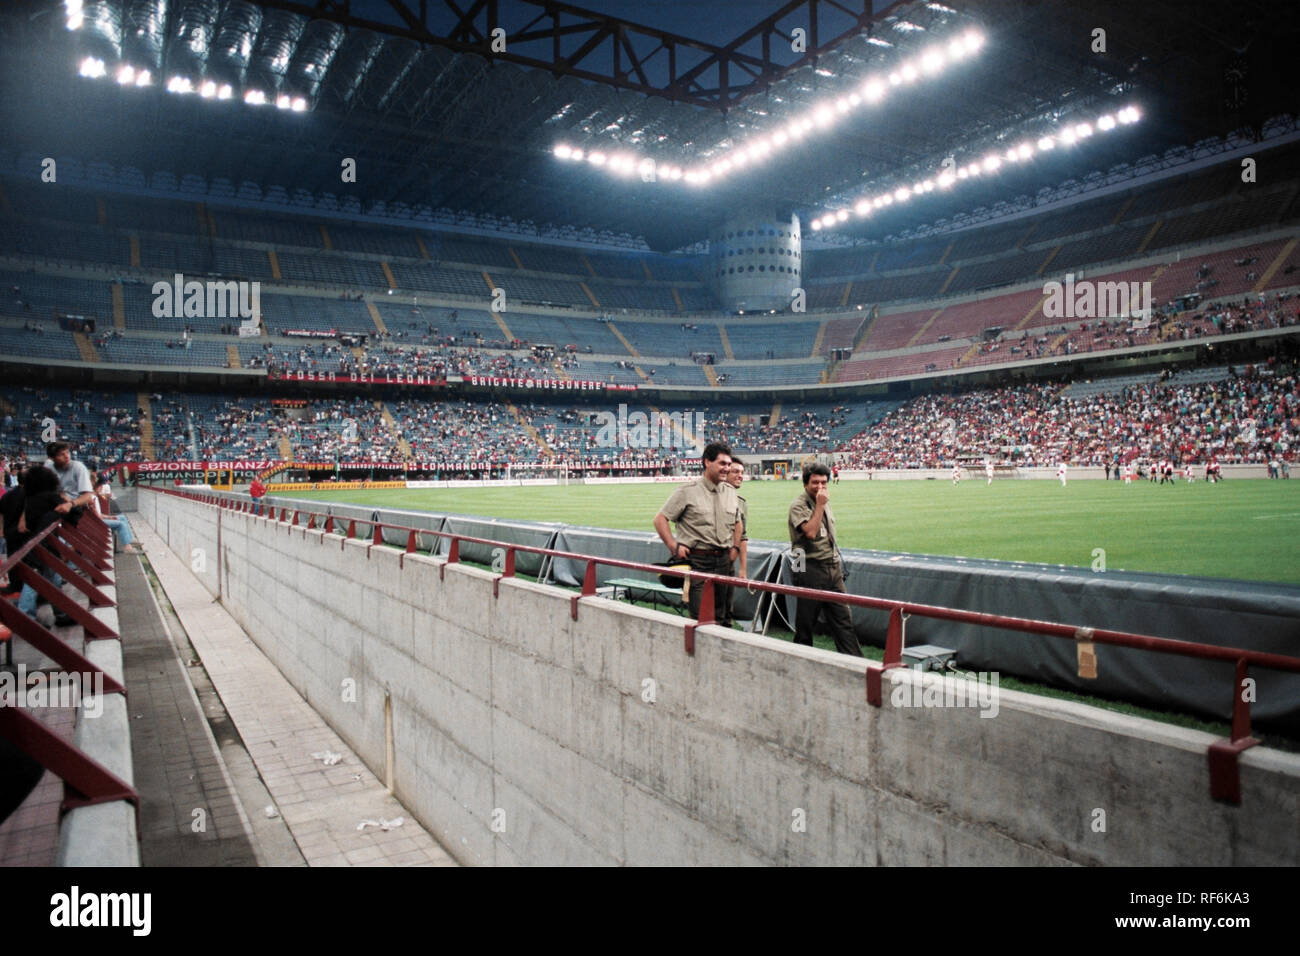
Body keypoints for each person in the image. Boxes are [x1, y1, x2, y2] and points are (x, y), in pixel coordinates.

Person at [653, 442, 742, 627]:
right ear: (707, 462)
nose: (727, 468)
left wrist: (735, 547)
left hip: (725, 561)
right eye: (722, 463)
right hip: (698, 561)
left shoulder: (731, 492)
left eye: (728, 464)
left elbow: (738, 522)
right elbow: (660, 519)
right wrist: (673, 545)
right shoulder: (687, 491)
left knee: (724, 617)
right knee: (701, 619)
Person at [787, 463, 862, 657]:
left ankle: (855, 663)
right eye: (815, 482)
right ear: (805, 484)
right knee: (806, 622)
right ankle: (800, 661)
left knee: (843, 620)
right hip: (809, 567)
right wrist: (819, 505)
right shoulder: (799, 505)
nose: (820, 487)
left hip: (831, 566)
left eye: (824, 482)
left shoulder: (823, 502)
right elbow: (811, 533)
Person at [725, 457, 748, 624]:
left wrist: (743, 570)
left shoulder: (741, 503)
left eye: (741, 472)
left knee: (726, 609)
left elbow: (743, 537)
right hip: (707, 560)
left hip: (728, 563)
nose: (739, 475)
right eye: (735, 472)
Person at [93, 472, 141, 554]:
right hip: (98, 522)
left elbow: (99, 514)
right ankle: (127, 548)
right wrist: (110, 517)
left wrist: (109, 517)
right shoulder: (92, 498)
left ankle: (130, 539)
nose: (102, 488)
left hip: (100, 519)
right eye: (101, 486)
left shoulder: (95, 496)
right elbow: (97, 516)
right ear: (98, 487)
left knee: (122, 517)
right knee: (121, 524)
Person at [45, 442, 95, 510]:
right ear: (52, 458)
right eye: (61, 454)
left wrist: (71, 504)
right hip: (55, 501)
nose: (66, 456)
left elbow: (88, 496)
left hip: (75, 504)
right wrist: (60, 494)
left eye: (67, 452)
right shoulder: (48, 468)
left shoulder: (78, 467)